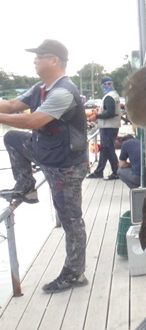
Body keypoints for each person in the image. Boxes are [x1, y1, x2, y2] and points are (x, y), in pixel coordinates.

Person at [0, 39, 89, 293]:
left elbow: (34, 121)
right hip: (46, 154)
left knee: (70, 219)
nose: (34, 61)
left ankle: (74, 274)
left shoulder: (63, 92)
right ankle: (26, 186)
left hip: (66, 166)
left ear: (54, 60)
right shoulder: (40, 88)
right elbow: (11, 106)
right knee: (12, 138)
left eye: (39, 57)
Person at [86, 76, 121, 180]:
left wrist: (96, 116)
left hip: (108, 127)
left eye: (110, 84)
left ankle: (116, 171)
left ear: (102, 86)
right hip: (111, 126)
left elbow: (110, 113)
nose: (109, 86)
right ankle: (99, 171)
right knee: (105, 149)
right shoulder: (114, 95)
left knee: (108, 149)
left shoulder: (109, 97)